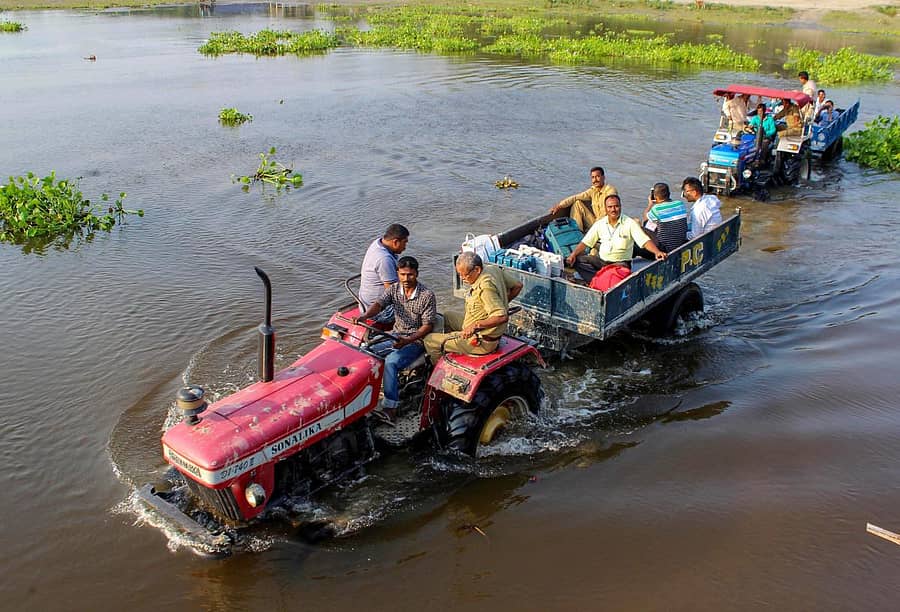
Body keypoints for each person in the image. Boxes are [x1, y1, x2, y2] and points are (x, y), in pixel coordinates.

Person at [356, 256, 436, 425]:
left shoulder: (427, 295)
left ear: (417, 274)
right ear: (397, 274)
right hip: (394, 334)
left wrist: (407, 340)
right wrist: (365, 316)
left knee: (391, 362)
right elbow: (379, 304)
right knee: (363, 350)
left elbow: (427, 326)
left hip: (415, 341)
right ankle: (363, 397)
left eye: (410, 275)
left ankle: (390, 408)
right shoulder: (393, 289)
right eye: (402, 274)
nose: (406, 279)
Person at [423, 252, 522, 364]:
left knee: (429, 340)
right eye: (459, 274)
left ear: (477, 270)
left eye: (465, 275)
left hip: (482, 341)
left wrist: (475, 326)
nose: (462, 278)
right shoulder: (493, 269)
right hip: (477, 327)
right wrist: (503, 303)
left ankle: (440, 371)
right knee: (448, 315)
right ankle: (453, 347)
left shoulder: (485, 288)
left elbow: (502, 317)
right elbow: (518, 285)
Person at [565, 194, 666, 283]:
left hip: (621, 264)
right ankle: (596, 281)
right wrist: (573, 255)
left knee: (616, 274)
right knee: (578, 261)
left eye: (616, 206)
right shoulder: (600, 224)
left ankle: (602, 280)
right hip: (602, 262)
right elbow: (585, 242)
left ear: (620, 207)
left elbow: (644, 241)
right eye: (610, 207)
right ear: (606, 208)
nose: (613, 209)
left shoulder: (629, 223)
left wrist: (657, 252)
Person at [359, 224, 409, 323]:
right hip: (379, 311)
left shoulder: (377, 243)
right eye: (404, 243)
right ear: (395, 242)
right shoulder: (384, 259)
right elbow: (392, 293)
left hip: (365, 303)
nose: (405, 247)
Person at [549, 166, 618, 233]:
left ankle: (587, 235)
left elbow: (610, 211)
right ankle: (577, 232)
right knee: (577, 203)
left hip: (606, 226)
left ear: (603, 177)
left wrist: (596, 228)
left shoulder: (610, 191)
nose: (595, 180)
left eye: (598, 176)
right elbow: (575, 197)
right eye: (593, 177)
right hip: (596, 223)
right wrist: (559, 206)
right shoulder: (593, 190)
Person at [640, 182, 688, 253]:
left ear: (655, 196)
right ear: (669, 194)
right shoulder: (680, 204)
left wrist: (650, 204)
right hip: (680, 244)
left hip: (665, 248)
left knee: (638, 225)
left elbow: (645, 218)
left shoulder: (657, 208)